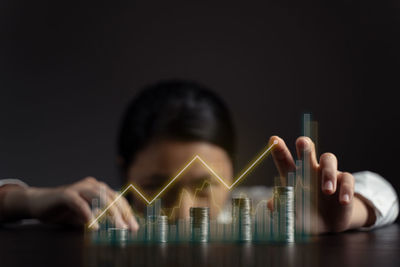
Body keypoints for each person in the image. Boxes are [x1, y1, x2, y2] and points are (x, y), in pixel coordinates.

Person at [0, 80, 398, 234]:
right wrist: (27, 199)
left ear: (232, 170)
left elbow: (381, 189)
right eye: (157, 185)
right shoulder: (102, 217)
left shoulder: (266, 210)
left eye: (206, 183)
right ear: (125, 171)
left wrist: (347, 210)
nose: (183, 208)